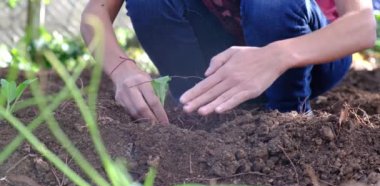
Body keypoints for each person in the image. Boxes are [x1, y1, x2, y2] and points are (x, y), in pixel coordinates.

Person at [81, 0, 376, 124]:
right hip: (220, 58)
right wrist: (122, 69)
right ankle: (198, 112)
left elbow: (361, 26)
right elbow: (95, 14)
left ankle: (290, 120)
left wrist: (275, 56)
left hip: (307, 55)